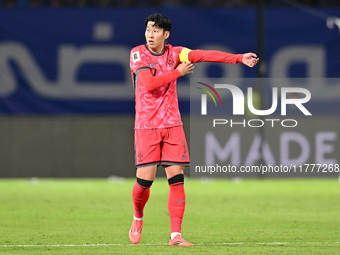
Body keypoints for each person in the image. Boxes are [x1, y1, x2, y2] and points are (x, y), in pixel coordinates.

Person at [129, 13, 259, 246]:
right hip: (146, 125)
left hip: (172, 124)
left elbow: (206, 55)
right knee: (144, 183)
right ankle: (138, 217)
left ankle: (175, 235)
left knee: (177, 180)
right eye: (148, 29)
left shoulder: (176, 53)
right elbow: (148, 85)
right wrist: (177, 73)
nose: (150, 34)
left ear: (165, 34)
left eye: (156, 30)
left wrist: (239, 58)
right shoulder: (138, 53)